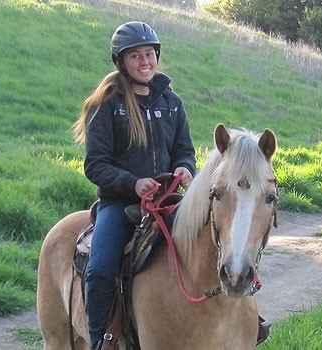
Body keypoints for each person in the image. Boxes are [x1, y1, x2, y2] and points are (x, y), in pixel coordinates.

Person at [71, 21, 196, 349]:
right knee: (99, 270)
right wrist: (133, 183)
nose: (145, 62)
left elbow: (184, 151)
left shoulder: (172, 103)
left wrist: (184, 169)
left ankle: (237, 320)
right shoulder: (107, 104)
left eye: (150, 54)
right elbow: (95, 165)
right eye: (135, 56)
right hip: (120, 204)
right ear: (121, 62)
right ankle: (101, 340)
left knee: (213, 240)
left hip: (169, 200)